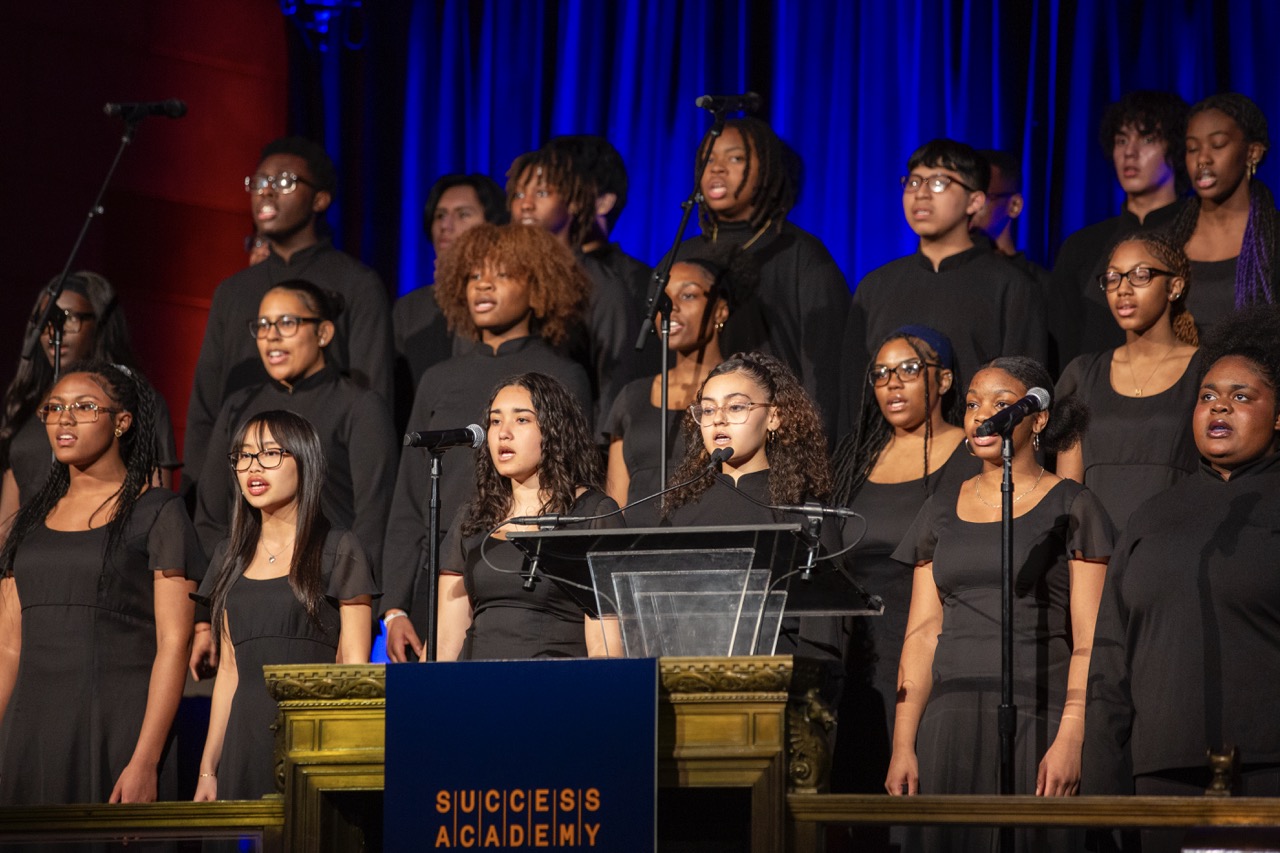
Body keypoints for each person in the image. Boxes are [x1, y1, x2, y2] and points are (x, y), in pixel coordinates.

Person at [886, 357, 1114, 852]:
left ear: (1039, 417)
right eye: (971, 404)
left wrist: (1072, 736)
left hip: (1040, 716)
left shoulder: (1072, 504)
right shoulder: (940, 508)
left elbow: (1090, 639)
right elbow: (923, 632)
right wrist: (904, 743)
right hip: (949, 723)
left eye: (1000, 404)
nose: (980, 415)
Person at [1083, 304, 1280, 853]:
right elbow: (1110, 666)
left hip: (1268, 775)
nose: (1220, 406)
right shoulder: (1152, 517)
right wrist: (1101, 798)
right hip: (1162, 775)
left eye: (1241, 396)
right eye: (1208, 396)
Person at [381, 223, 592, 663]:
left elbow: (575, 478)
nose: (484, 284)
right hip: (441, 578)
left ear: (538, 289)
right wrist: (395, 608)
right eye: (474, 275)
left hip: (531, 580)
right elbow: (408, 500)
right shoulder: (438, 378)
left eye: (502, 274)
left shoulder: (561, 374)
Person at [0, 362, 201, 803]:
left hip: (116, 730)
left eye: (84, 407)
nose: (64, 419)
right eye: (53, 409)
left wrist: (145, 760)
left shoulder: (158, 513)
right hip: (29, 731)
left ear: (122, 422)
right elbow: (9, 647)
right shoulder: (29, 523)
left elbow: (174, 642)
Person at [184, 136, 394, 494]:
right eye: (260, 182)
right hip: (239, 488)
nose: (266, 192)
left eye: (283, 182)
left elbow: (373, 396)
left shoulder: (357, 283)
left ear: (320, 199)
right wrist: (198, 495)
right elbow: (206, 403)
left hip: (326, 485)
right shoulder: (233, 291)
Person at [827, 326, 978, 794]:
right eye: (881, 373)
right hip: (857, 653)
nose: (892, 382)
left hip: (928, 643)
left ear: (945, 380)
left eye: (909, 369)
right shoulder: (855, 457)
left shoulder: (970, 452)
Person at [194, 411, 376, 801]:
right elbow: (228, 672)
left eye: (270, 454)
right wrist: (209, 769)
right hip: (242, 743)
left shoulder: (339, 549)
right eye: (243, 456)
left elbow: (354, 670)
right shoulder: (229, 555)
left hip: (311, 743)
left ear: (304, 460)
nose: (253, 467)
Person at [841, 139, 1047, 435]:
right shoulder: (876, 286)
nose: (921, 194)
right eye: (913, 182)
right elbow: (852, 395)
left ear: (975, 201)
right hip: (884, 462)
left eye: (939, 182)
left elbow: (1026, 397)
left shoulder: (1011, 287)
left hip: (975, 461)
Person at [674, 117, 850, 439]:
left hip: (776, 438)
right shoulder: (682, 257)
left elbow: (824, 369)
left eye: (735, 158)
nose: (717, 169)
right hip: (697, 431)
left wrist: (812, 443)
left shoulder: (800, 254)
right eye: (708, 159)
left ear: (767, 171)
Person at [663, 352, 843, 661]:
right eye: (707, 410)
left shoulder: (807, 517)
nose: (718, 418)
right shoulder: (680, 514)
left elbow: (822, 641)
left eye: (735, 406)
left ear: (773, 416)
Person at [435, 373, 623, 661]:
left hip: (551, 688)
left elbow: (605, 647)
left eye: (521, 420)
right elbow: (445, 645)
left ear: (553, 432)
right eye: (495, 421)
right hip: (474, 687)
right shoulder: (473, 518)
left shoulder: (593, 515)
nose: (503, 433)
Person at [0, 273, 179, 536]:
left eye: (69, 318)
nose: (54, 330)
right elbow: (7, 516)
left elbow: (157, 500)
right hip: (26, 559)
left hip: (99, 552)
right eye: (45, 319)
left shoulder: (135, 398)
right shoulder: (27, 400)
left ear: (100, 323)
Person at [1056, 233, 1201, 530]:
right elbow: (1067, 488)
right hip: (1096, 552)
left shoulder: (1206, 370)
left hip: (1175, 542)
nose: (1122, 289)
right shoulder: (1084, 374)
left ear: (1174, 287)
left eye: (1139, 276)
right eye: (1112, 278)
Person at [604, 247, 749, 525]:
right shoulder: (631, 396)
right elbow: (616, 504)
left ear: (720, 310)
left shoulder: (745, 391)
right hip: (635, 550)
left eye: (688, 295)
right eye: (663, 299)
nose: (671, 308)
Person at [508, 144, 642, 426]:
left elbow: (614, 385)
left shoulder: (602, 286)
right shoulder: (501, 279)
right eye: (519, 194)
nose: (526, 204)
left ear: (575, 202)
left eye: (541, 193)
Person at [1054, 90, 1190, 359]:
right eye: (1121, 140)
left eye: (1148, 139)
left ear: (1176, 148)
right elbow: (1063, 344)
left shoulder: (1201, 236)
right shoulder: (1083, 246)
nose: (1130, 152)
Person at [1166, 92, 1279, 338]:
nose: (1202, 159)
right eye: (1192, 148)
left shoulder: (1273, 240)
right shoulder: (1169, 241)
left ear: (1253, 153)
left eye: (1218, 145)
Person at [393, 173, 509, 407]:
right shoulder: (409, 308)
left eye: (463, 214)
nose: (446, 226)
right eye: (440, 216)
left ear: (492, 224)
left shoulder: (506, 298)